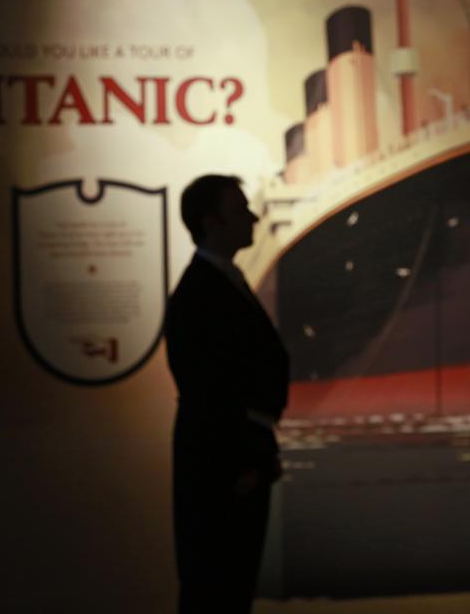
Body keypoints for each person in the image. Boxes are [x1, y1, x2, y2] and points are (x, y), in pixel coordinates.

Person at [164, 174, 289, 613]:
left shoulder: (214, 283)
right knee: (218, 586)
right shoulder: (201, 292)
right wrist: (247, 458)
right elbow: (210, 390)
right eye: (239, 210)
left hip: (231, 461)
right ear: (211, 221)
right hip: (225, 467)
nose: (253, 216)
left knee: (227, 586)